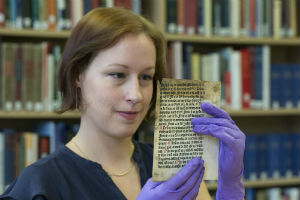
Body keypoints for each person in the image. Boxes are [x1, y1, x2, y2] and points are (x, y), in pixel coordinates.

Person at [0, 7, 245, 200]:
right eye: (117, 75)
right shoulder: (39, 185)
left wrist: (231, 187)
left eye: (146, 77)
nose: (136, 95)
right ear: (78, 75)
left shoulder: (173, 167)